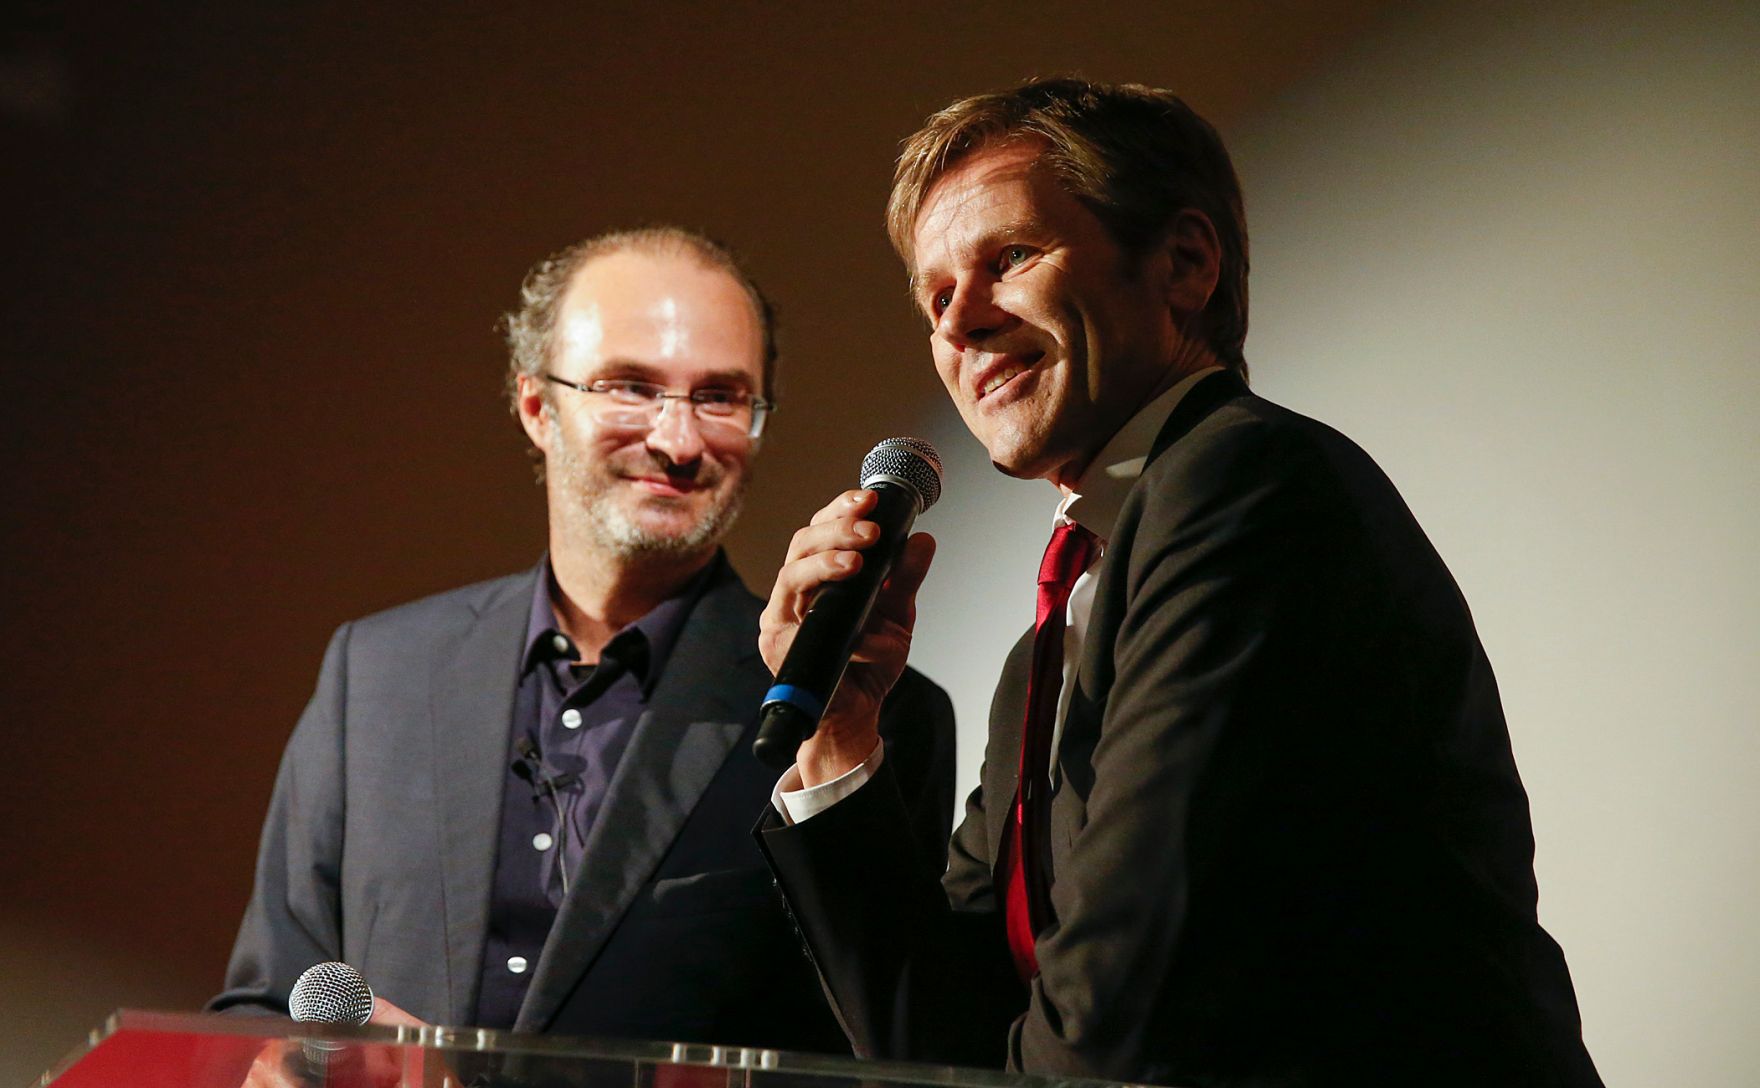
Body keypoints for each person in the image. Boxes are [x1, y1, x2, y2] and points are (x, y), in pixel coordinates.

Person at [756, 79, 1602, 1087]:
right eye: (934, 296)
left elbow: (1115, 1023)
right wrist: (840, 731)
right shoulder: (1046, 651)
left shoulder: (1243, 484)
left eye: (1009, 258)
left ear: (1184, 262)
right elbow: (941, 1043)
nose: (959, 322)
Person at [209, 226, 956, 1052]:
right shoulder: (378, 674)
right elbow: (269, 1002)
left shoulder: (858, 717)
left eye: (721, 397)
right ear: (536, 406)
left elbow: (901, 1046)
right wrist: (281, 1066)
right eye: (630, 387)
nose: (678, 442)